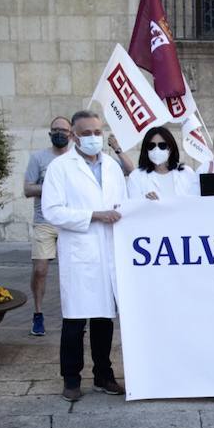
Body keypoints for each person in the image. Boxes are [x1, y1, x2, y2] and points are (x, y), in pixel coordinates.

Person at [42, 110, 128, 401]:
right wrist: (93, 215)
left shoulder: (113, 167)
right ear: (74, 136)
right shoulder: (61, 167)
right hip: (80, 252)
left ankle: (104, 375)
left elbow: (124, 205)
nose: (93, 137)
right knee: (75, 320)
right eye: (87, 133)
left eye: (97, 132)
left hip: (109, 250)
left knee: (104, 319)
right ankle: (71, 378)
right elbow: (52, 210)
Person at [23, 116, 73, 336]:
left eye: (64, 130)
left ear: (71, 134)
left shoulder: (76, 159)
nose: (59, 133)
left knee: (73, 271)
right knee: (40, 269)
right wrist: (51, 187)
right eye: (55, 129)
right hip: (44, 222)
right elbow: (28, 189)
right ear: (50, 132)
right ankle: (38, 314)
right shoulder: (39, 158)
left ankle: (74, 315)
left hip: (69, 223)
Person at [127, 126, 185, 201]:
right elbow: (134, 206)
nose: (156, 149)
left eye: (162, 145)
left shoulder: (186, 173)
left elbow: (194, 203)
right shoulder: (136, 176)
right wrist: (149, 204)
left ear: (170, 148)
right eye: (151, 146)